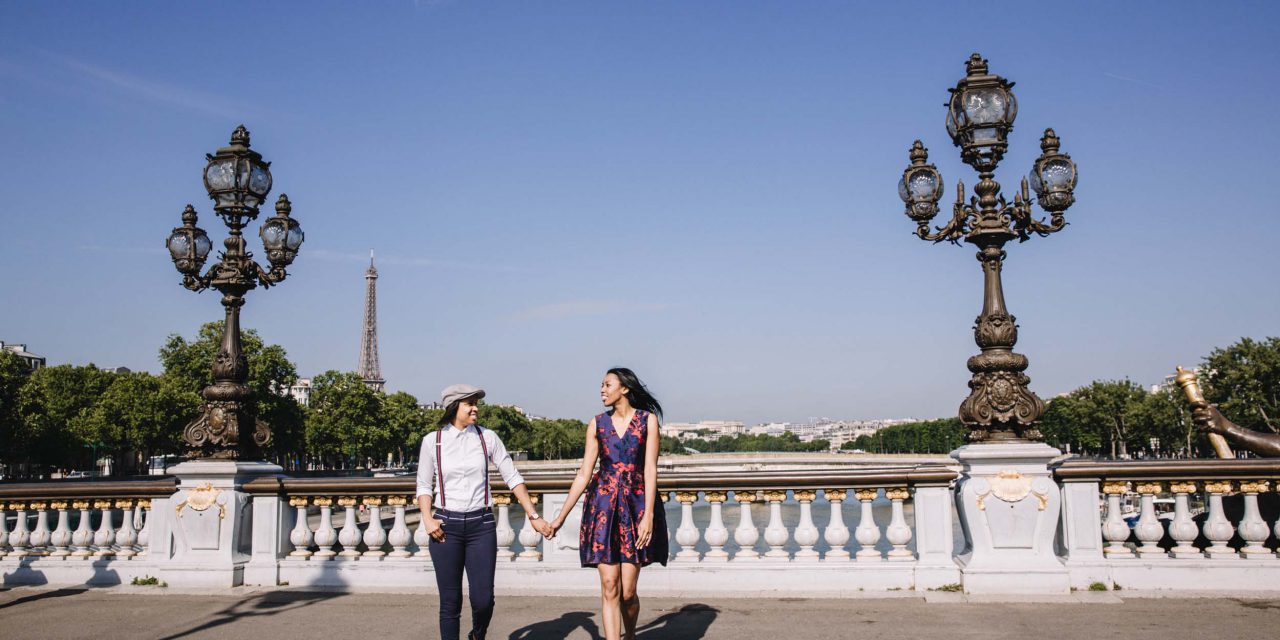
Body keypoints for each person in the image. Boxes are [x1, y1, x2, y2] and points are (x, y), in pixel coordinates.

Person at [416, 384, 553, 640]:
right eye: (470, 403)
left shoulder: (487, 437)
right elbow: (424, 485)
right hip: (445, 527)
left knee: (483, 600)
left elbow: (512, 476)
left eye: (476, 402)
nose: (476, 408)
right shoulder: (432, 442)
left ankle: (478, 634)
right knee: (450, 603)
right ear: (454, 407)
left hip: (481, 525)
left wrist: (533, 516)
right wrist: (427, 518)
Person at [548, 367, 669, 640]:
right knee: (609, 585)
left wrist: (648, 514)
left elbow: (650, 469)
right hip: (602, 508)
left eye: (607, 384)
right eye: (601, 385)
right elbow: (583, 474)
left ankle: (631, 633)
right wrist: (560, 518)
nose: (601, 390)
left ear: (624, 388)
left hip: (636, 506)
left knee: (627, 591)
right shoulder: (596, 424)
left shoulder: (647, 421)